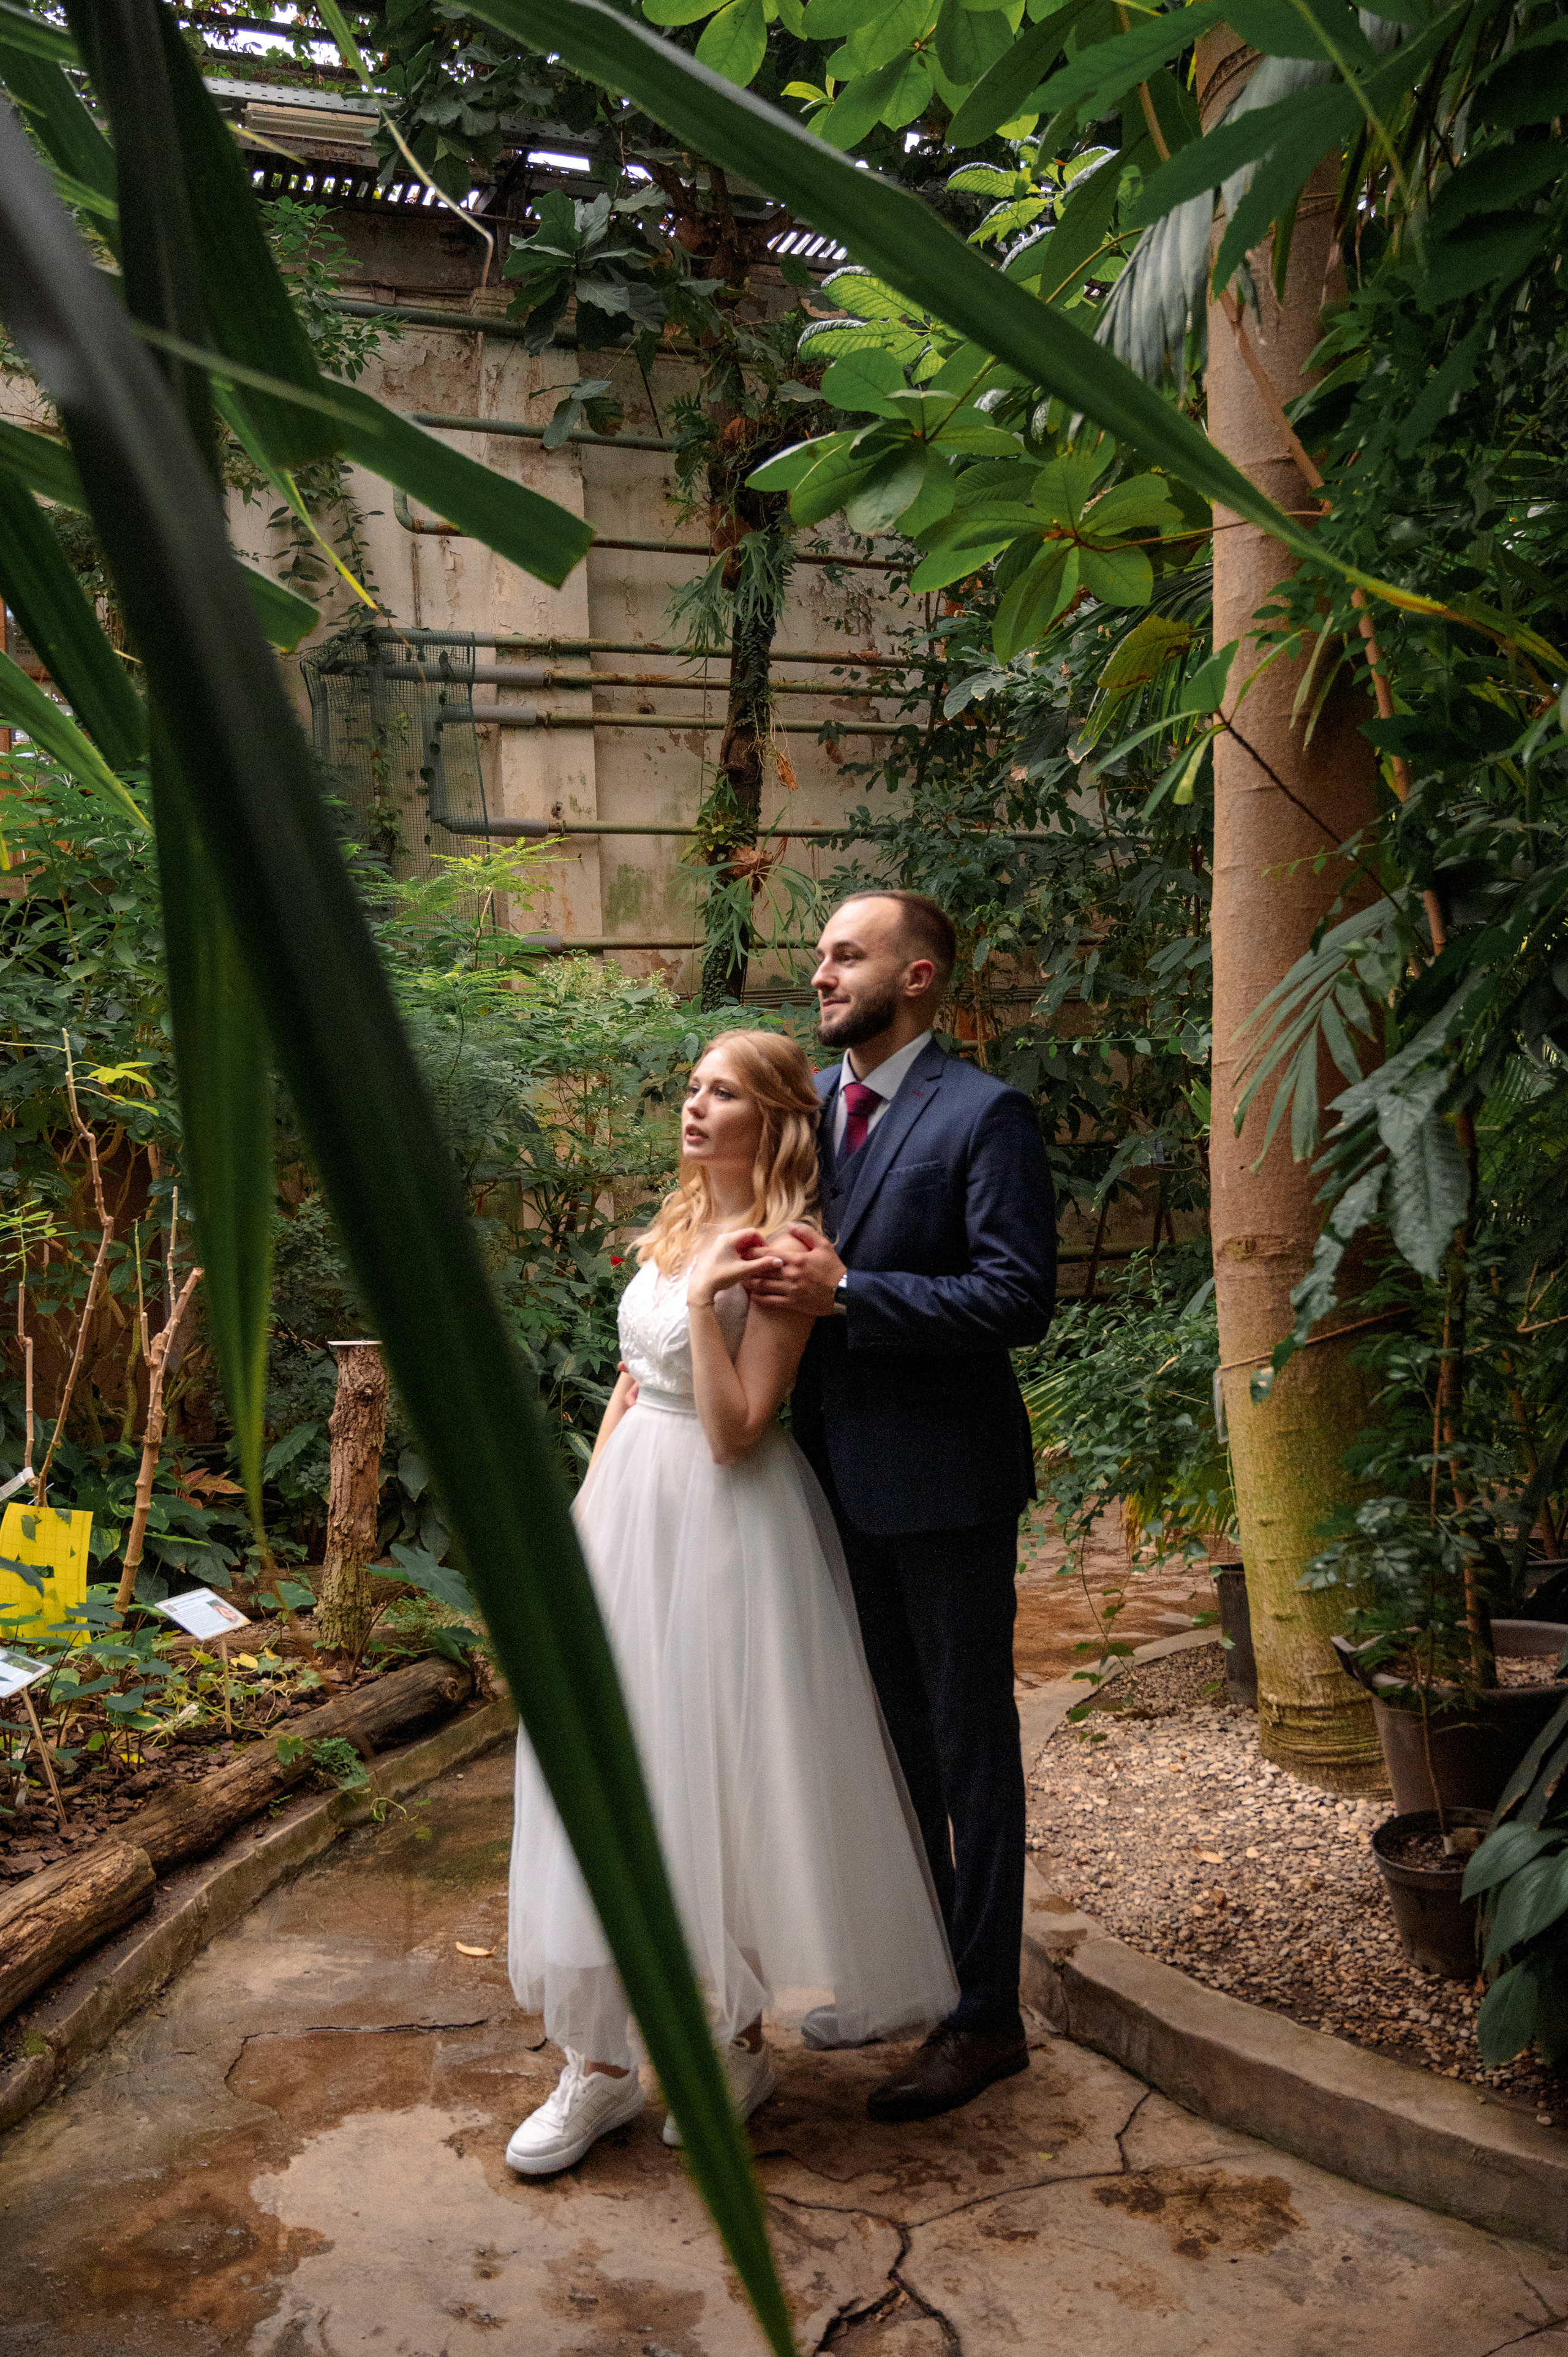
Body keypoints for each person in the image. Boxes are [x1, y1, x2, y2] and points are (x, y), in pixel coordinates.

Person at [504, 1029, 958, 2177]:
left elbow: (735, 1430)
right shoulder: (674, 1224)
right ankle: (595, 2068)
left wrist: (709, 1306)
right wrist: (581, 1519)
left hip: (726, 1530)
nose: (695, 1108)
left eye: (723, 1093)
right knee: (604, 1778)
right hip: (628, 1523)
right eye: (694, 1087)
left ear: (774, 1119)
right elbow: (626, 1381)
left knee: (720, 1779)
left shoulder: (785, 1252)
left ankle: (737, 2046)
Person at [747, 891, 1056, 2124]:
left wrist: (850, 1290)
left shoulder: (984, 1115)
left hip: (944, 1485)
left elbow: (1013, 1296)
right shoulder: (809, 1113)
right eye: (819, 954)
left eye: (844, 955)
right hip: (824, 1479)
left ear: (915, 974)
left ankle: (984, 2019)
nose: (818, 973)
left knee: (968, 1755)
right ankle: (909, 1976)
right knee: (884, 1751)